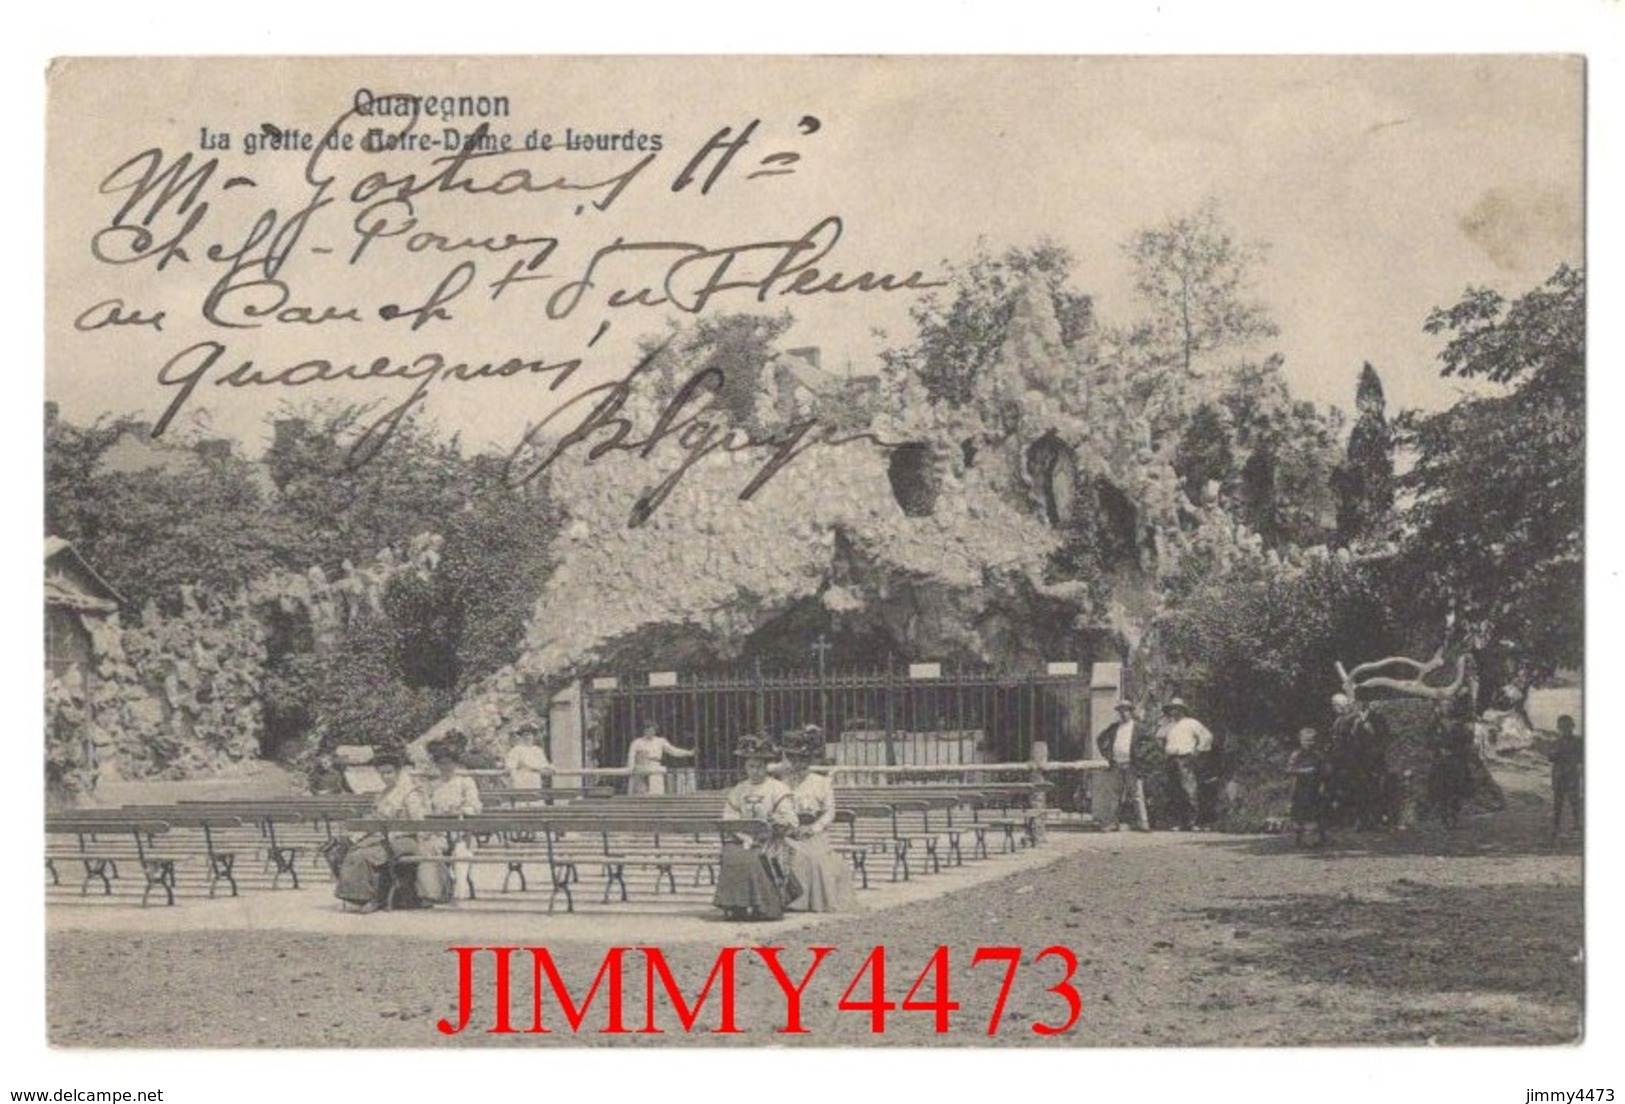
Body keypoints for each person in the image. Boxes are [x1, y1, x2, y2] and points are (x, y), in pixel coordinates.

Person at [334, 747, 432, 913]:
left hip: (407, 840)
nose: (386, 777)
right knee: (350, 849)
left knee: (365, 855)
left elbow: (419, 823)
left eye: (389, 772)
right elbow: (375, 819)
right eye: (382, 773)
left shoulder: (410, 793)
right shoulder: (382, 794)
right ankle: (358, 896)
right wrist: (360, 834)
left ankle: (374, 898)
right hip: (383, 838)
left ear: (398, 771)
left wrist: (395, 833)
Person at [714, 734, 798, 921]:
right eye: (751, 766)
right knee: (732, 854)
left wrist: (775, 822)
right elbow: (729, 816)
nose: (755, 771)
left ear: (766, 767)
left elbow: (790, 819)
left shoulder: (778, 788)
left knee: (756, 856)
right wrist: (743, 836)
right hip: (743, 838)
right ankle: (735, 906)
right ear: (745, 767)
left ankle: (764, 906)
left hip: (770, 838)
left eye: (759, 767)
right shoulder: (739, 789)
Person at [779, 726, 858, 912]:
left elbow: (829, 812)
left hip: (814, 832)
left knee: (814, 857)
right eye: (793, 759)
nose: (797, 763)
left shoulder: (822, 783)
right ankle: (786, 899)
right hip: (790, 831)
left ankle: (810, 900)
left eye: (802, 759)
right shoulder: (782, 783)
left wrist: (813, 828)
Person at [424, 732, 483, 902]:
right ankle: (439, 888)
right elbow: (426, 807)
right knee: (430, 849)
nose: (445, 767)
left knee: (461, 851)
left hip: (461, 830)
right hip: (439, 831)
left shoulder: (465, 782)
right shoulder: (433, 785)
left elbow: (475, 806)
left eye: (449, 763)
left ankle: (460, 888)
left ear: (455, 763)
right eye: (441, 763)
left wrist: (461, 810)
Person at [1157, 698, 1213, 831]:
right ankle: (1178, 822)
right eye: (1171, 709)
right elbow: (1158, 737)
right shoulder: (1169, 725)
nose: (1173, 711)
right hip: (1171, 758)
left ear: (1182, 710)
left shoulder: (1192, 723)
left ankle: (1193, 822)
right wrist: (1164, 748)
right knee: (1174, 790)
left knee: (1189, 789)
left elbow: (1207, 736)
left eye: (1176, 708)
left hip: (1186, 758)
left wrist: (1198, 751)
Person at [1095, 700, 1149, 831]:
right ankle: (1113, 823)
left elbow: (1150, 743)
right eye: (1121, 711)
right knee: (1114, 795)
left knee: (1137, 795)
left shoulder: (1139, 728)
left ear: (1131, 712)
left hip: (1132, 766)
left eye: (1126, 710)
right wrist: (1107, 754)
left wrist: (1140, 756)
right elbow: (1100, 739)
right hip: (1116, 765)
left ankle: (1143, 823)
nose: (1124, 713)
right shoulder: (1114, 727)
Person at [1426, 694, 1476, 829]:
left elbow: (1466, 741)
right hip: (1441, 760)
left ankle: (1453, 814)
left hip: (1456, 760)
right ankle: (1444, 816)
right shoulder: (1435, 723)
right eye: (1444, 706)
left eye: (1449, 706)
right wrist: (1438, 747)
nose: (1447, 708)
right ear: (1440, 708)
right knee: (1442, 789)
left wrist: (1458, 750)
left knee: (1456, 788)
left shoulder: (1458, 723)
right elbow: (1428, 740)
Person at [1285, 727, 1331, 847]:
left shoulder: (1318, 755)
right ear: (1300, 740)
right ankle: (1297, 839)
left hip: (1315, 787)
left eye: (1313, 740)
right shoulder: (1297, 754)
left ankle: (1322, 838)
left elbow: (1325, 770)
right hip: (1300, 787)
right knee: (1299, 813)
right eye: (1307, 740)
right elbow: (1289, 769)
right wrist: (1303, 770)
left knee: (1319, 812)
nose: (1310, 743)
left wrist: (1324, 774)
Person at [627, 722, 697, 795]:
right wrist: (631, 768)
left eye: (653, 730)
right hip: (641, 767)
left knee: (656, 791)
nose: (651, 732)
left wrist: (688, 753)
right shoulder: (637, 742)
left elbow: (673, 751)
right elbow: (631, 756)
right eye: (648, 730)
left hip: (655, 766)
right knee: (640, 792)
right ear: (644, 731)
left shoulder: (660, 741)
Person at [1550, 714, 1582, 838]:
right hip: (1559, 775)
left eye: (1567, 727)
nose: (1565, 730)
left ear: (1572, 727)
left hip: (1571, 775)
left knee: (1574, 801)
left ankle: (1576, 825)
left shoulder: (1579, 742)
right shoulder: (1556, 742)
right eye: (1562, 727)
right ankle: (1556, 826)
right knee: (1558, 802)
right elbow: (1550, 757)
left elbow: (1581, 758)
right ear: (1559, 728)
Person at [504, 720, 553, 791]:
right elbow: (511, 767)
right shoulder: (516, 750)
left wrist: (549, 768)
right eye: (525, 735)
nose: (528, 738)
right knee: (523, 800)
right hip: (521, 780)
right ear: (521, 737)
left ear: (533, 736)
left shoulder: (537, 750)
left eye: (530, 735)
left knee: (535, 800)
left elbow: (544, 765)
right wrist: (515, 782)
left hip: (535, 780)